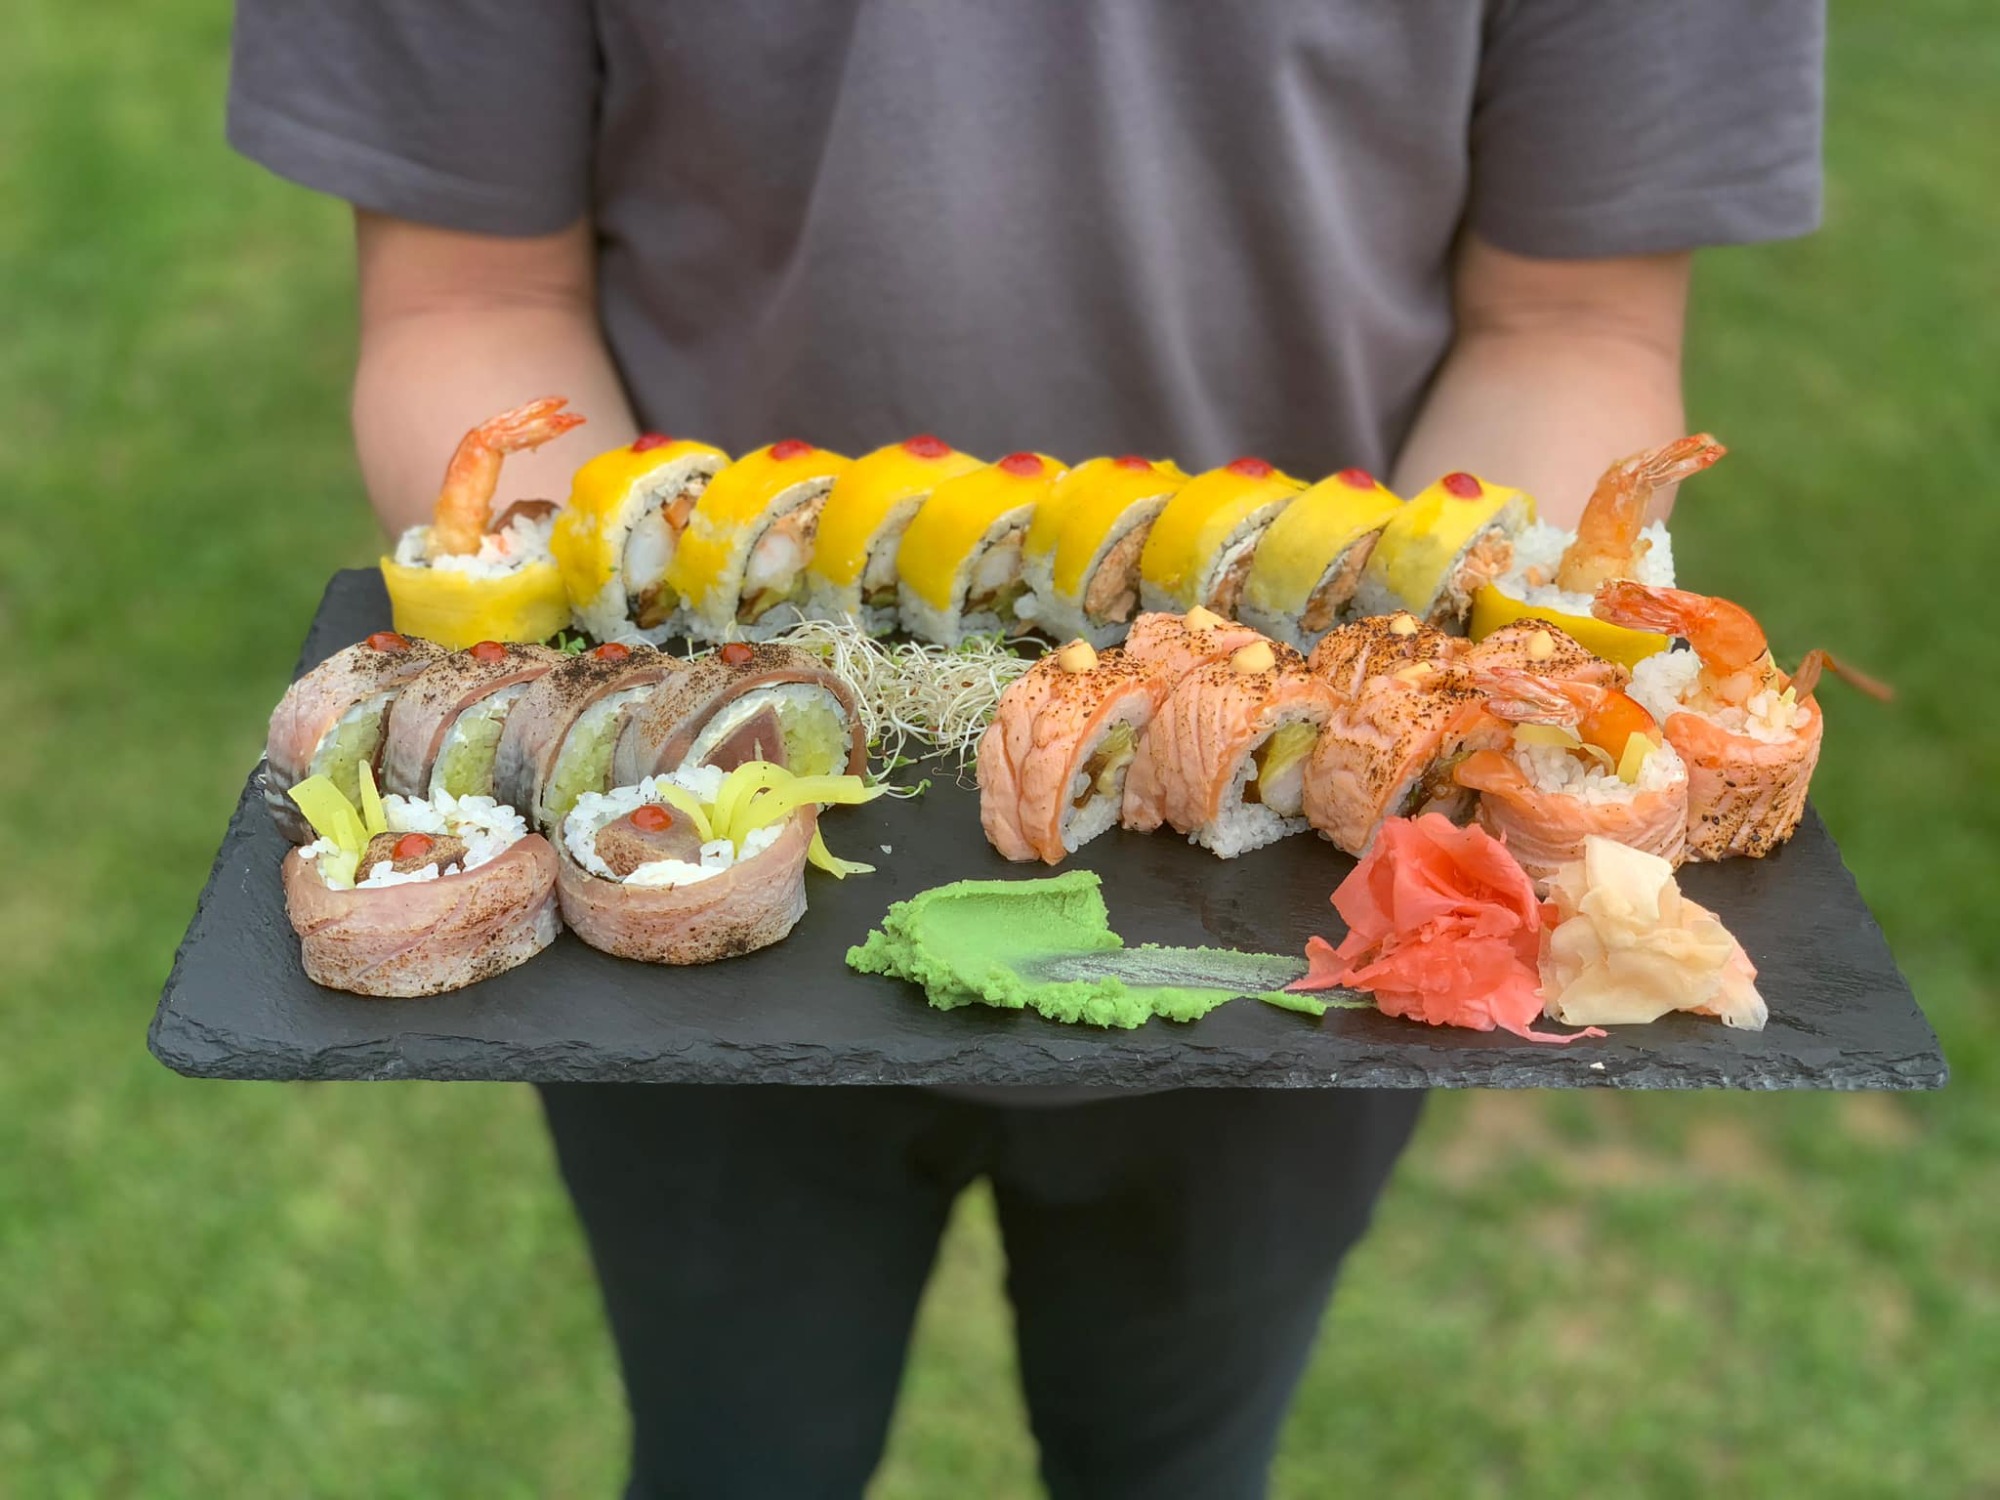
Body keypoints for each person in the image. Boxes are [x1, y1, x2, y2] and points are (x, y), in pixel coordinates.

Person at [227, 3, 1825, 1494]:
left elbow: (1570, 315)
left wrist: (1394, 722)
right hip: (686, 914)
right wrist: (636, 723)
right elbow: (471, 293)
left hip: (1291, 937)